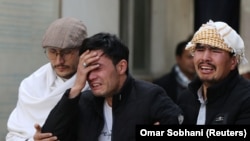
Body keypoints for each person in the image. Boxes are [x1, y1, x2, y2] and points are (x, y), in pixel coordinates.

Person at [33, 32, 183, 141]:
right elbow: (50, 135)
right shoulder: (83, 101)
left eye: (97, 68)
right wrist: (76, 88)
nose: (90, 77)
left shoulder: (150, 96)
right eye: (87, 69)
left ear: (121, 67)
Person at [6, 17, 89, 141]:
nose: (59, 60)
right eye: (52, 51)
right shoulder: (31, 85)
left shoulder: (95, 82)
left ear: (82, 51)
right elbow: (14, 136)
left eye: (66, 52)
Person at [177, 20, 250, 124]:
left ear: (233, 62)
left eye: (215, 50)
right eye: (200, 49)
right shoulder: (186, 99)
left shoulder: (246, 99)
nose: (205, 58)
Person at [152, 37, 196, 103]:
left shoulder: (203, 83)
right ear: (178, 59)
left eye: (196, 57)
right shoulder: (161, 85)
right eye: (189, 57)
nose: (193, 61)